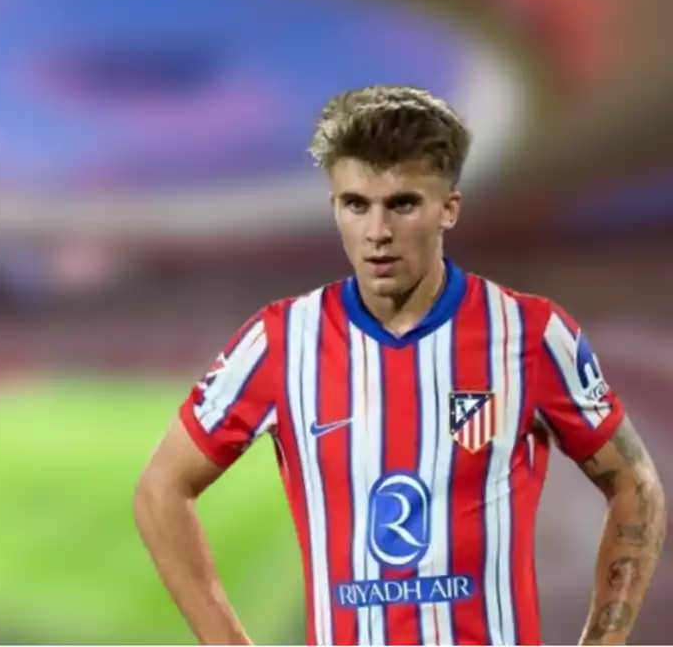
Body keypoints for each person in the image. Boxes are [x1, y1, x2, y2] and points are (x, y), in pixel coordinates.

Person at [134, 86, 666, 646]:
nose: (377, 232)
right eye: (356, 204)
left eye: (403, 203)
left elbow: (636, 485)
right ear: (334, 208)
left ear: (448, 210)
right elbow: (161, 490)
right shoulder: (279, 341)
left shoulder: (530, 333)